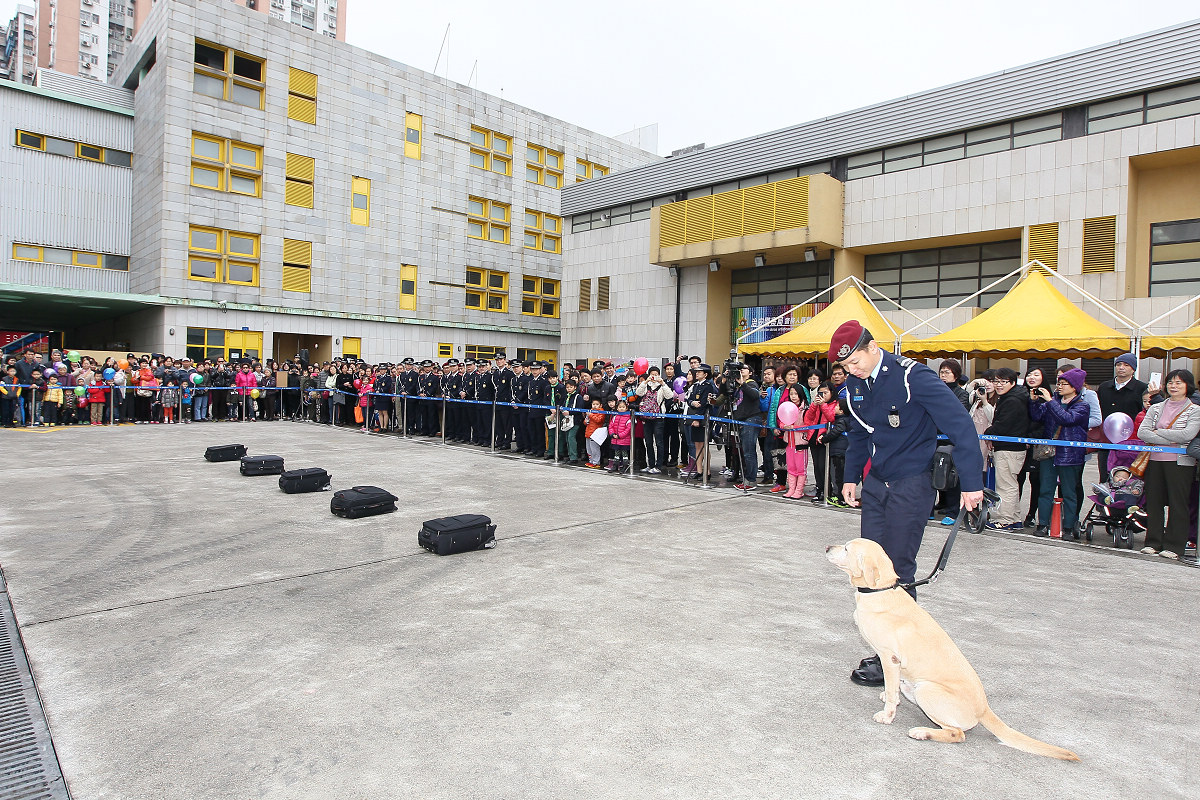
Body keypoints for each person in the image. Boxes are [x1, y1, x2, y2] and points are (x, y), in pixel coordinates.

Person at [828, 319, 984, 688]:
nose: (851, 372)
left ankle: (898, 656)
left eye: (855, 363)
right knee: (871, 567)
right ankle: (887, 647)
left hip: (911, 484)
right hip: (878, 485)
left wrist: (972, 483)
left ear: (871, 346)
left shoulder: (914, 378)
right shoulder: (853, 388)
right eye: (845, 368)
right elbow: (859, 435)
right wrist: (852, 477)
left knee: (898, 568)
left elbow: (961, 427)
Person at [1136, 369, 1200, 560]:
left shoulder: (1195, 410)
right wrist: (1164, 436)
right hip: (1155, 460)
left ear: (1188, 386)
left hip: (1181, 464)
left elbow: (1187, 435)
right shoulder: (1156, 407)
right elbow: (1142, 432)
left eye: (1179, 383)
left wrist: (1159, 432)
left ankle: (1174, 545)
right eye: (1170, 382)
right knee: (1154, 502)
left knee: (1177, 503)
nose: (1174, 386)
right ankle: (1153, 542)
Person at [1029, 368, 1090, 537]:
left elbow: (1067, 419)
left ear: (1075, 387)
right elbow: (1037, 417)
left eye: (1065, 384)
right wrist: (1034, 402)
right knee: (1045, 489)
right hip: (1050, 452)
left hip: (1070, 453)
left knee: (1069, 491)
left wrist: (1050, 401)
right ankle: (1043, 524)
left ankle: (1069, 526)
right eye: (1059, 383)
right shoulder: (1053, 401)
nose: (1060, 387)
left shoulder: (1082, 405)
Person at [984, 367, 1030, 530]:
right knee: (1010, 483)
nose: (999, 385)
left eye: (1004, 382)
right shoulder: (1012, 396)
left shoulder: (1012, 400)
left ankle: (1005, 520)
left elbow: (1003, 425)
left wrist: (988, 433)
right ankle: (1015, 518)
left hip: (1009, 448)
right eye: (997, 381)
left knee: (1006, 485)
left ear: (1012, 382)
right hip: (1010, 447)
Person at [1096, 354, 1148, 482]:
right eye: (1119, 364)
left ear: (1133, 369)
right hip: (1106, 439)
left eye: (1126, 365)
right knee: (1105, 475)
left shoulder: (1141, 388)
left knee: (1127, 477)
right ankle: (1104, 500)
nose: (1121, 368)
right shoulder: (1104, 387)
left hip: (1131, 441)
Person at [728, 364, 763, 491]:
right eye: (740, 368)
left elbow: (754, 395)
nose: (741, 369)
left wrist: (743, 383)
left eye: (745, 368)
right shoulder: (737, 385)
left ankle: (751, 481)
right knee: (745, 451)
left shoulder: (751, 383)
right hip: (741, 420)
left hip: (751, 419)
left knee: (749, 452)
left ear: (751, 372)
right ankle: (747, 479)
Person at [584, 398, 607, 468]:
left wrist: (590, 415)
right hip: (588, 432)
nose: (595, 406)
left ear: (600, 405)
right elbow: (585, 423)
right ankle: (591, 461)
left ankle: (596, 462)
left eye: (597, 404)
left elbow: (599, 420)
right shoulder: (590, 411)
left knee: (595, 449)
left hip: (595, 433)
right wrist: (586, 420)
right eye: (593, 404)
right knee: (589, 449)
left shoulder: (601, 412)